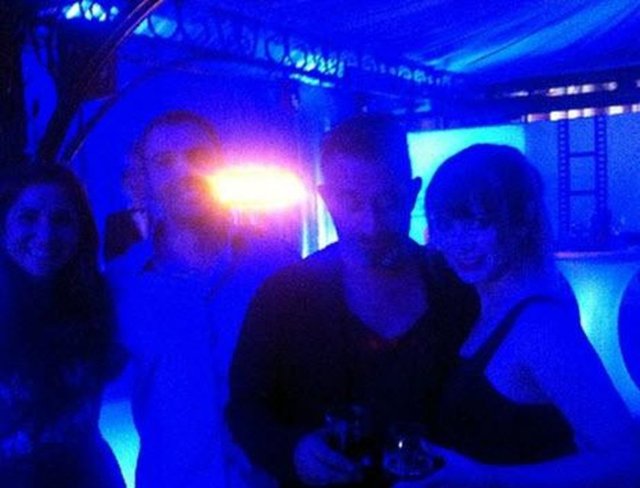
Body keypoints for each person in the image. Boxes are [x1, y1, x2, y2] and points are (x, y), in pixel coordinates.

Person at [226, 114, 478, 487]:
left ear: (412, 193)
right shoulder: (283, 296)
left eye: (387, 200)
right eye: (351, 201)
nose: (370, 223)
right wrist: (293, 451)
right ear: (327, 199)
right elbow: (245, 408)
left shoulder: (459, 288)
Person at [401, 143, 640, 487]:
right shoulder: (482, 309)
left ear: (521, 222)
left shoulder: (540, 326)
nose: (460, 242)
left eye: (479, 223)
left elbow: (629, 460)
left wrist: (488, 479)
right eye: (446, 224)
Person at [109, 110, 292, 487]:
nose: (184, 171)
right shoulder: (120, 286)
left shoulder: (277, 267)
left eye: (198, 157)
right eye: (164, 162)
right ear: (146, 178)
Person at [0, 163, 126, 487]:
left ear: (81, 230)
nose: (45, 235)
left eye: (61, 220)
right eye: (28, 217)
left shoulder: (103, 299)